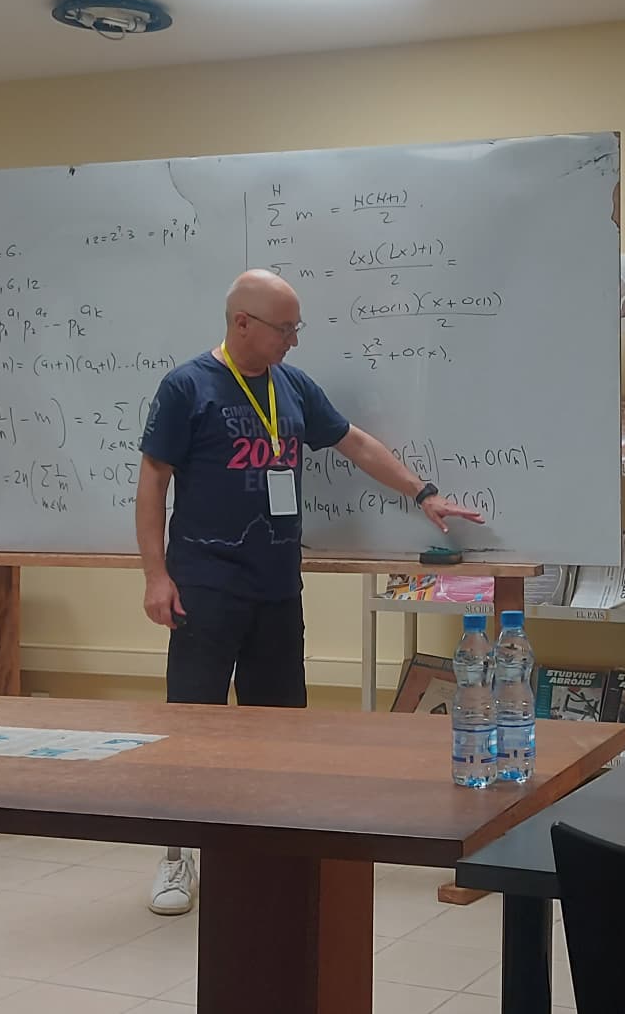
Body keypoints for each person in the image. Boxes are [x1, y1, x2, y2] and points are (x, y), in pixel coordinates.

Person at [134, 269, 483, 915]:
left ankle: (277, 851)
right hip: (204, 584)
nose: (294, 340)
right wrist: (156, 575)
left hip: (275, 585)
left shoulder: (291, 386)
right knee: (192, 725)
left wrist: (423, 493)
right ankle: (177, 857)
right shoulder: (188, 386)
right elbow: (153, 479)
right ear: (242, 323)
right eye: (285, 328)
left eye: (297, 327)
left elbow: (354, 442)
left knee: (281, 726)